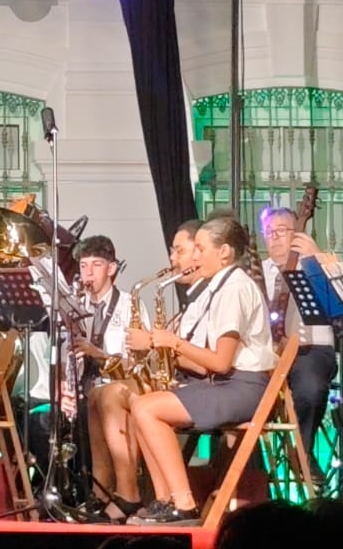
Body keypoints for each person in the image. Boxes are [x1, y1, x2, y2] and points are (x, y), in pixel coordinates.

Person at [126, 214, 276, 524]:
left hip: (243, 388)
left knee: (148, 409)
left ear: (224, 252)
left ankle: (183, 502)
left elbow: (221, 361)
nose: (195, 256)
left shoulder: (234, 288)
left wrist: (171, 342)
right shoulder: (221, 286)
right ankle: (165, 499)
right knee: (140, 404)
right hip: (228, 384)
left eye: (202, 249)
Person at [72, 234, 150, 519]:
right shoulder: (75, 306)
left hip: (119, 388)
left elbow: (138, 362)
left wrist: (97, 353)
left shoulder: (131, 305)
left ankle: (115, 493)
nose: (88, 273)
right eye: (83, 266)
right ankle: (95, 495)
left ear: (112, 268)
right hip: (83, 389)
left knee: (101, 399)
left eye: (96, 265)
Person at [259, 208, 336, 486]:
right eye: (270, 232)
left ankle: (300, 450)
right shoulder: (259, 271)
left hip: (311, 348)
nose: (275, 237)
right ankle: (250, 476)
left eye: (282, 231)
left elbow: (340, 297)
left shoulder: (314, 265)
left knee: (311, 387)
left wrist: (316, 256)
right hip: (270, 354)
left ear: (297, 234)